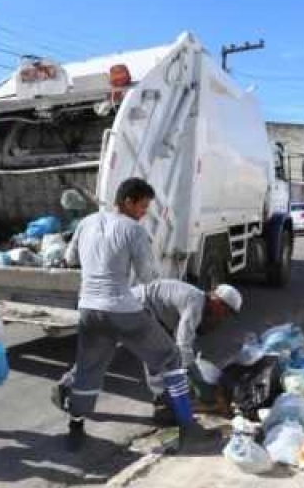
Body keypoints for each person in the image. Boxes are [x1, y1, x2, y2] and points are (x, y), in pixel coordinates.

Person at [56, 177, 212, 453]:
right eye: (143, 206)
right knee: (171, 357)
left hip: (89, 309)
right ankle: (189, 428)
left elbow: (70, 259)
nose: (144, 213)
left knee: (89, 368)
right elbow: (148, 277)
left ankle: (75, 427)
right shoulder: (134, 230)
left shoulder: (86, 223)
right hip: (122, 309)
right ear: (127, 201)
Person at [133, 280, 242, 425]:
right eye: (226, 312)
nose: (223, 317)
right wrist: (197, 378)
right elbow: (183, 345)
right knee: (158, 355)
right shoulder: (195, 304)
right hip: (140, 306)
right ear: (217, 302)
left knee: (167, 354)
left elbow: (185, 339)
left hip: (148, 308)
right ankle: (163, 406)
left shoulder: (198, 300)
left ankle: (166, 401)